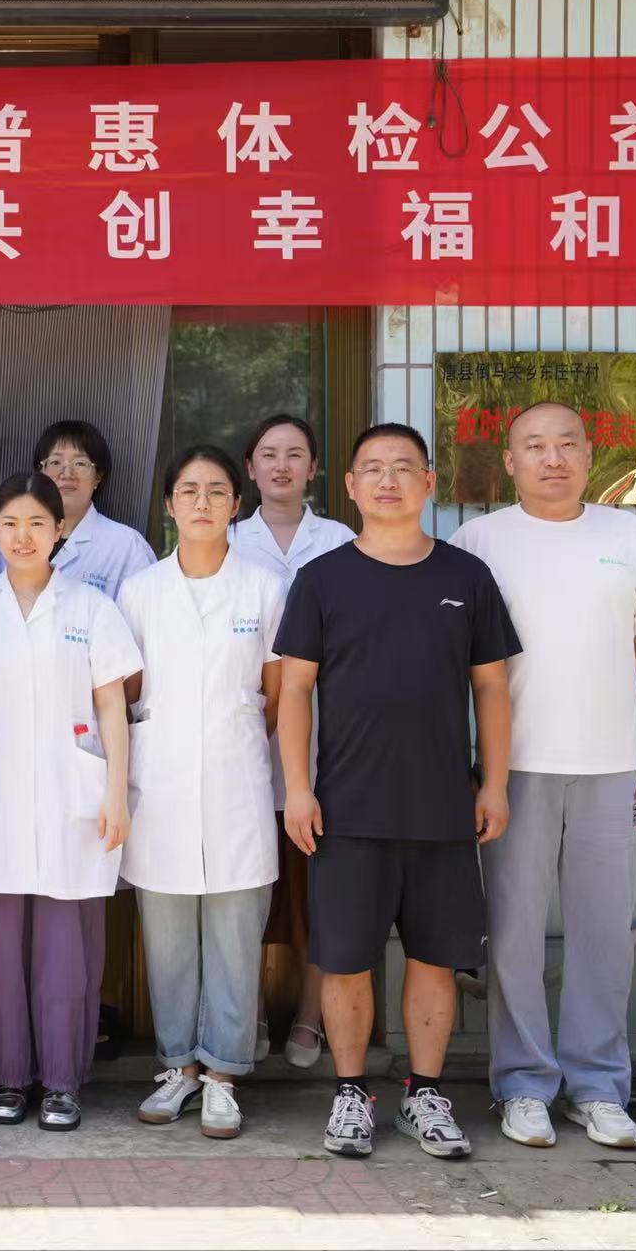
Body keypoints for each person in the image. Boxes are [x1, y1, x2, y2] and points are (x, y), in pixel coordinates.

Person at [275, 423, 518, 1162]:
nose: (388, 481)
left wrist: (495, 784)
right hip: (346, 809)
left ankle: (425, 1094)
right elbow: (295, 691)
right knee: (346, 960)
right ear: (349, 486)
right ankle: (351, 1094)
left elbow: (492, 687)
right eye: (373, 469)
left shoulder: (466, 577)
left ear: (429, 483)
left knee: (435, 958)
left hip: (444, 806)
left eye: (404, 468)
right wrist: (297, 789)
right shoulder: (322, 579)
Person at [450, 402, 636, 1151]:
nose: (552, 458)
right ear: (509, 461)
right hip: (513, 770)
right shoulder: (479, 542)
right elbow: (455, 665)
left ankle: (598, 1086)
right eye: (535, 446)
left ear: (590, 454)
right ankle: (522, 1084)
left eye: (566, 445)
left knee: (603, 935)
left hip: (610, 767)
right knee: (513, 935)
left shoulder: (627, 535)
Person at [118, 445, 286, 1141]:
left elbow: (276, 693)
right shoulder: (140, 591)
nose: (202, 502)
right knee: (167, 940)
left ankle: (223, 1074)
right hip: (159, 785)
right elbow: (127, 691)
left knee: (235, 936)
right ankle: (177, 1066)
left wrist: (228, 735)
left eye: (217, 490)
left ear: (236, 505)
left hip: (237, 781)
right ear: (169, 505)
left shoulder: (265, 587)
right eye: (188, 490)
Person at [0, 472, 140, 1132]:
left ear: (59, 529)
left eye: (37, 523)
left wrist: (116, 792)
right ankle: (9, 1078)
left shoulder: (89, 606)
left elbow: (112, 705)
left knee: (68, 952)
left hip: (76, 791)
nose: (23, 536)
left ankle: (63, 1082)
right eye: (10, 523)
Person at [232, 413, 355, 1069]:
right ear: (249, 468)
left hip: (327, 742)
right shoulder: (227, 540)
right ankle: (247, 1011)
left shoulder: (340, 540)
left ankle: (310, 1015)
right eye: (268, 454)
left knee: (320, 895)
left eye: (295, 454)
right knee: (245, 891)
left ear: (314, 468)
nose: (281, 465)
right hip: (246, 742)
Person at [0, 419, 155, 599]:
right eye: (55, 462)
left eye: (80, 463)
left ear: (98, 477)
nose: (66, 474)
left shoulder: (128, 547)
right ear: (40, 473)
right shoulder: (9, 541)